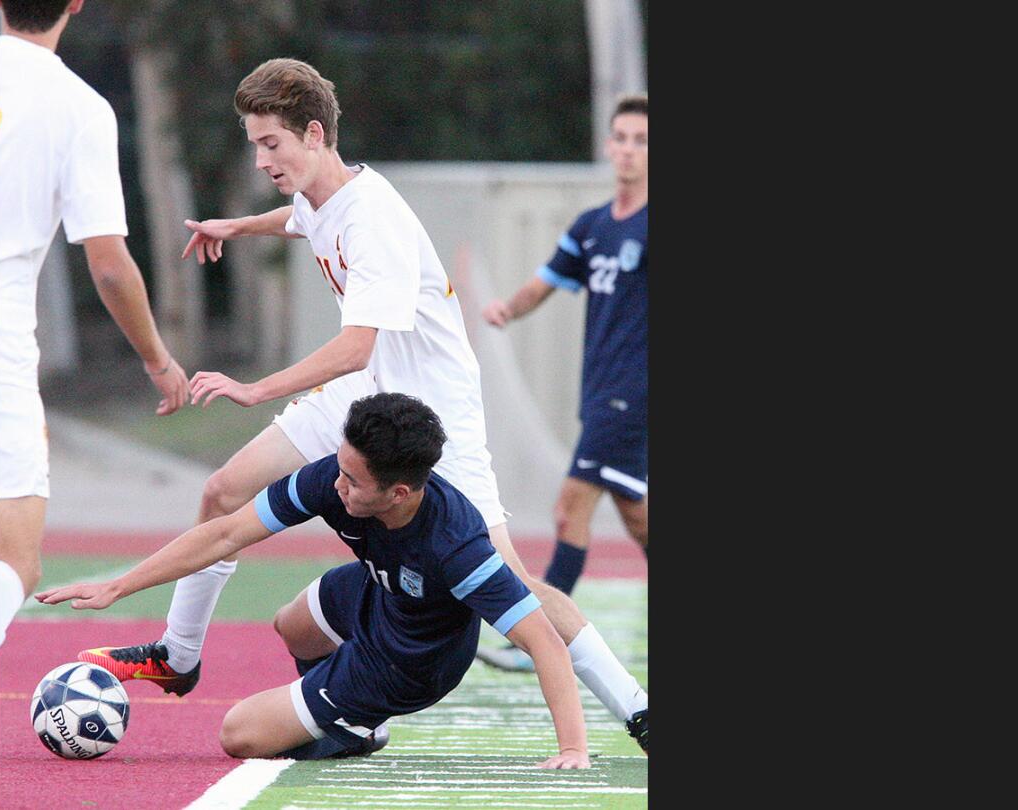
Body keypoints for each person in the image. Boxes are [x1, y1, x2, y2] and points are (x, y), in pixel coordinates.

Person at [76, 58, 646, 750]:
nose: (260, 159)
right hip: (364, 389)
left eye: (270, 144)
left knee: (515, 584)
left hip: (428, 413)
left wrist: (256, 388)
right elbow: (304, 220)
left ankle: (635, 706)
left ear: (314, 134)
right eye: (255, 144)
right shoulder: (326, 191)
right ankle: (179, 655)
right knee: (224, 492)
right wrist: (237, 226)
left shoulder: (373, 220)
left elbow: (353, 345)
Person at [39, 394, 593, 767]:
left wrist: (573, 748)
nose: (339, 485)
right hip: (377, 591)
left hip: (412, 660)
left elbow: (543, 639)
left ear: (399, 493)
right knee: (292, 624)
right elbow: (225, 533)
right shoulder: (335, 475)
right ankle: (337, 708)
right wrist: (121, 587)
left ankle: (357, 721)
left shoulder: (457, 545)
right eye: (341, 467)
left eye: (354, 480)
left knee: (240, 736)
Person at [0, 0, 188, 652]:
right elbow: (108, 266)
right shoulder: (79, 107)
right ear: (75, 3)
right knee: (14, 559)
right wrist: (159, 360)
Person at [474, 95, 647, 673]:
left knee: (570, 509)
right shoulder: (592, 225)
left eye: (641, 140)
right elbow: (545, 282)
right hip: (600, 390)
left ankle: (541, 639)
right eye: (621, 137)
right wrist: (505, 309)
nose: (628, 149)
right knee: (636, 514)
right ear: (607, 145)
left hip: (635, 392)